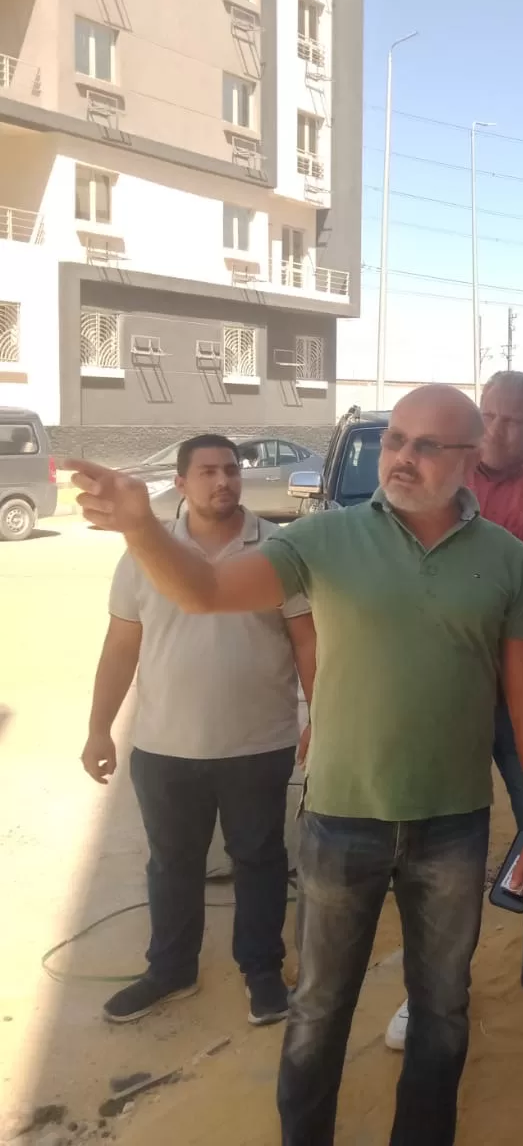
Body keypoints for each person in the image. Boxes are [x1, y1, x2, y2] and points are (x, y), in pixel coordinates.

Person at [68, 384, 523, 1146]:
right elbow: (205, 590)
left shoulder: (507, 560)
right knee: (319, 1010)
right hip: (341, 820)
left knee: (442, 1012)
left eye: (427, 446)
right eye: (395, 440)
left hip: (454, 826)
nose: (402, 457)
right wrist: (141, 528)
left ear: (470, 460)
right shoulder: (324, 539)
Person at [384, 370, 523, 1056]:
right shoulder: (443, 480)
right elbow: (407, 572)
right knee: (432, 845)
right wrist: (492, 572)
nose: (501, 429)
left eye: (516, 419)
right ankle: (429, 987)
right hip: (446, 685)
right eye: (492, 415)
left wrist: (460, 574)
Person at [80, 434, 316, 1027]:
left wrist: (322, 718)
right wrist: (99, 729)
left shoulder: (279, 549)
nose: (223, 481)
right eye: (207, 471)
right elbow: (120, 645)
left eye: (231, 470)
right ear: (181, 483)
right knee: (172, 864)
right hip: (165, 747)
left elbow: (307, 641)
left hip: (258, 744)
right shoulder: (144, 552)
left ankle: (261, 971)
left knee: (259, 860)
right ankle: (170, 970)